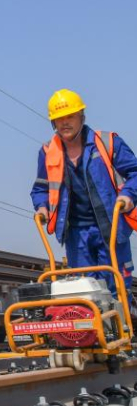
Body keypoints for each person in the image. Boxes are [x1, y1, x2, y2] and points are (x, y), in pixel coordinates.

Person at [31, 89, 137, 304]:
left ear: (82, 116)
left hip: (111, 226)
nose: (65, 123)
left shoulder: (108, 143)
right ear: (53, 123)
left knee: (115, 287)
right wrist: (41, 207)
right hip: (75, 233)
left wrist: (127, 195)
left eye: (70, 116)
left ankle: (122, 332)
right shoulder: (48, 152)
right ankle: (89, 335)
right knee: (83, 290)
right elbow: (41, 188)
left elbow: (135, 172)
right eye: (59, 119)